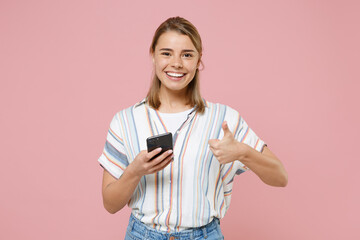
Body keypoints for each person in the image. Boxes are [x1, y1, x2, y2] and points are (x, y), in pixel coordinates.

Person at [98, 16, 288, 240]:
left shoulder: (224, 119)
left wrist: (242, 152)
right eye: (166, 53)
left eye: (187, 54)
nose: (177, 63)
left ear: (199, 60)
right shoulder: (125, 121)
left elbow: (280, 177)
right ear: (153, 56)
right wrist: (135, 171)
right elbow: (110, 204)